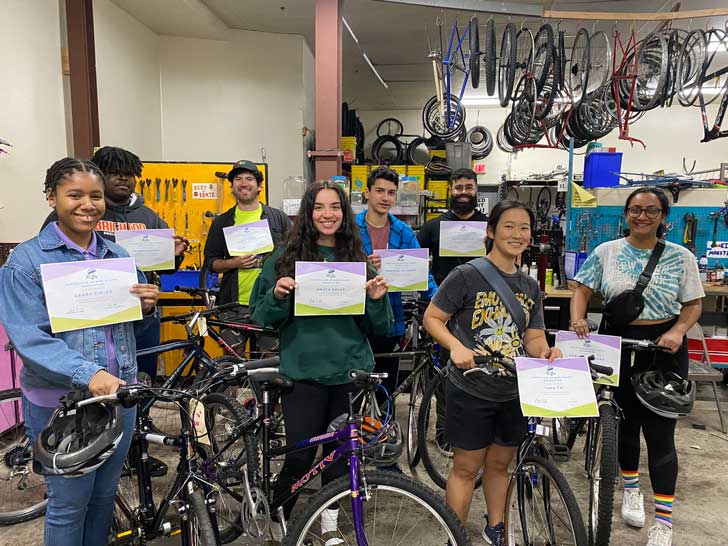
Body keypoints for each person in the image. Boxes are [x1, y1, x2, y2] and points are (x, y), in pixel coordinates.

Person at [0, 157, 159, 546]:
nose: (88, 205)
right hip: (62, 404)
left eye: (96, 196)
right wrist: (89, 374)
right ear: (51, 196)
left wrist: (148, 307)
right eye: (75, 195)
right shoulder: (27, 261)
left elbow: (132, 328)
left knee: (104, 496)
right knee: (69, 505)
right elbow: (31, 340)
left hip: (117, 397)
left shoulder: (118, 257)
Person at [250, 180, 393, 545]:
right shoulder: (284, 258)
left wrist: (377, 298)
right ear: (308, 213)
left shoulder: (356, 260)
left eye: (335, 207)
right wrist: (280, 294)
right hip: (304, 373)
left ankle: (329, 522)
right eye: (319, 207)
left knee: (339, 457)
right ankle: (280, 514)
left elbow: (379, 326)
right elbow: (260, 316)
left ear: (344, 214)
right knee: (300, 455)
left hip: (348, 372)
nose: (327, 214)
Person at [423, 200, 562, 546]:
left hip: (513, 390)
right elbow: (432, 318)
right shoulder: (467, 275)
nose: (517, 234)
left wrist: (545, 351)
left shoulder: (530, 286)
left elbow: (532, 335)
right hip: (471, 389)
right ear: (491, 232)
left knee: (501, 465)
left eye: (524, 228)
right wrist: (455, 345)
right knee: (467, 468)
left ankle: (495, 528)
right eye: (509, 226)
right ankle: (454, 534)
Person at [570, 187, 703, 546]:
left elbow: (693, 304)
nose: (642, 216)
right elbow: (581, 289)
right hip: (616, 340)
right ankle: (630, 488)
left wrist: (678, 330)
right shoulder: (606, 251)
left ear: (663, 217)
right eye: (635, 210)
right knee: (622, 424)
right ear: (626, 214)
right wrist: (578, 319)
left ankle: (664, 519)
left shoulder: (680, 256)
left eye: (651, 211)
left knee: (661, 434)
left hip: (664, 346)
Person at [41, 146, 188, 384]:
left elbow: (164, 268)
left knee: (140, 380)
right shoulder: (78, 213)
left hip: (139, 315)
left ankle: (139, 420)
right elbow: (49, 260)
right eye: (115, 172)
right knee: (89, 383)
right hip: (84, 317)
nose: (123, 178)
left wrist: (175, 254)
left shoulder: (148, 217)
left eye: (129, 174)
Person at [355, 166, 437, 403]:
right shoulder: (348, 229)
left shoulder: (403, 231)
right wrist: (364, 265)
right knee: (355, 385)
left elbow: (422, 274)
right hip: (354, 319)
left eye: (391, 192)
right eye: (380, 190)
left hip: (390, 319)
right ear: (368, 193)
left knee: (385, 384)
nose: (385, 197)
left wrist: (441, 299)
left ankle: (379, 429)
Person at [203, 160, 291, 354]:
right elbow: (211, 262)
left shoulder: (278, 218)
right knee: (232, 366)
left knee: (270, 364)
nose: (244, 183)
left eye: (249, 178)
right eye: (238, 179)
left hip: (269, 303)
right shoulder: (222, 222)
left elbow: (296, 254)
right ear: (232, 187)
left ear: (259, 186)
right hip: (233, 306)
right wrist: (233, 263)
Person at [417, 168, 488, 285]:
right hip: (441, 295)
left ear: (476, 189)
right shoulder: (432, 226)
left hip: (480, 296)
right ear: (450, 190)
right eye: (458, 188)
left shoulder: (489, 227)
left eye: (469, 187)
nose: (464, 192)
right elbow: (414, 261)